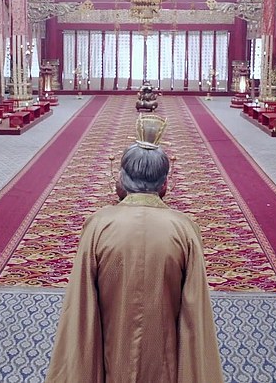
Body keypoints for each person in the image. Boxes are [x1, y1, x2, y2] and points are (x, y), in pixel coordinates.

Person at [45, 115, 224, 383]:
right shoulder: (184, 229)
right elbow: (194, 313)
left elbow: (82, 306)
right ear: (165, 183)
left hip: (111, 355)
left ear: (121, 178)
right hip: (164, 362)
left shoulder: (98, 225)